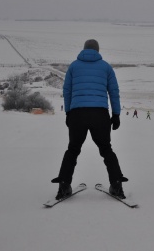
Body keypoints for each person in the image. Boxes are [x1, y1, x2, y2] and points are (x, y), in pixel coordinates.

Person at [51, 39, 127, 200]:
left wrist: (68, 113)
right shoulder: (106, 67)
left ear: (84, 49)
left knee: (72, 150)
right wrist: (116, 114)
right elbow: (114, 92)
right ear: (97, 50)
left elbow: (67, 91)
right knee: (106, 149)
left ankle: (64, 185)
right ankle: (117, 184)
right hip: (100, 114)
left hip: (78, 114)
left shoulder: (73, 66)